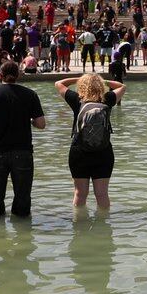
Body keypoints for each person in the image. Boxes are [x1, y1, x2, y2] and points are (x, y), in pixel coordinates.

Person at [0, 61, 46, 217]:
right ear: (18, 75)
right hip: (23, 151)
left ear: (0, 75)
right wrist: (29, 121)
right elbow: (41, 124)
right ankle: (23, 233)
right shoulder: (30, 95)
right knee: (22, 198)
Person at [55, 74, 125, 209]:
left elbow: (59, 83)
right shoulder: (108, 99)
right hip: (103, 152)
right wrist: (101, 80)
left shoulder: (76, 100)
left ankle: (79, 224)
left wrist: (79, 79)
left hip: (79, 152)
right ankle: (104, 225)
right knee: (102, 194)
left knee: (80, 194)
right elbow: (122, 86)